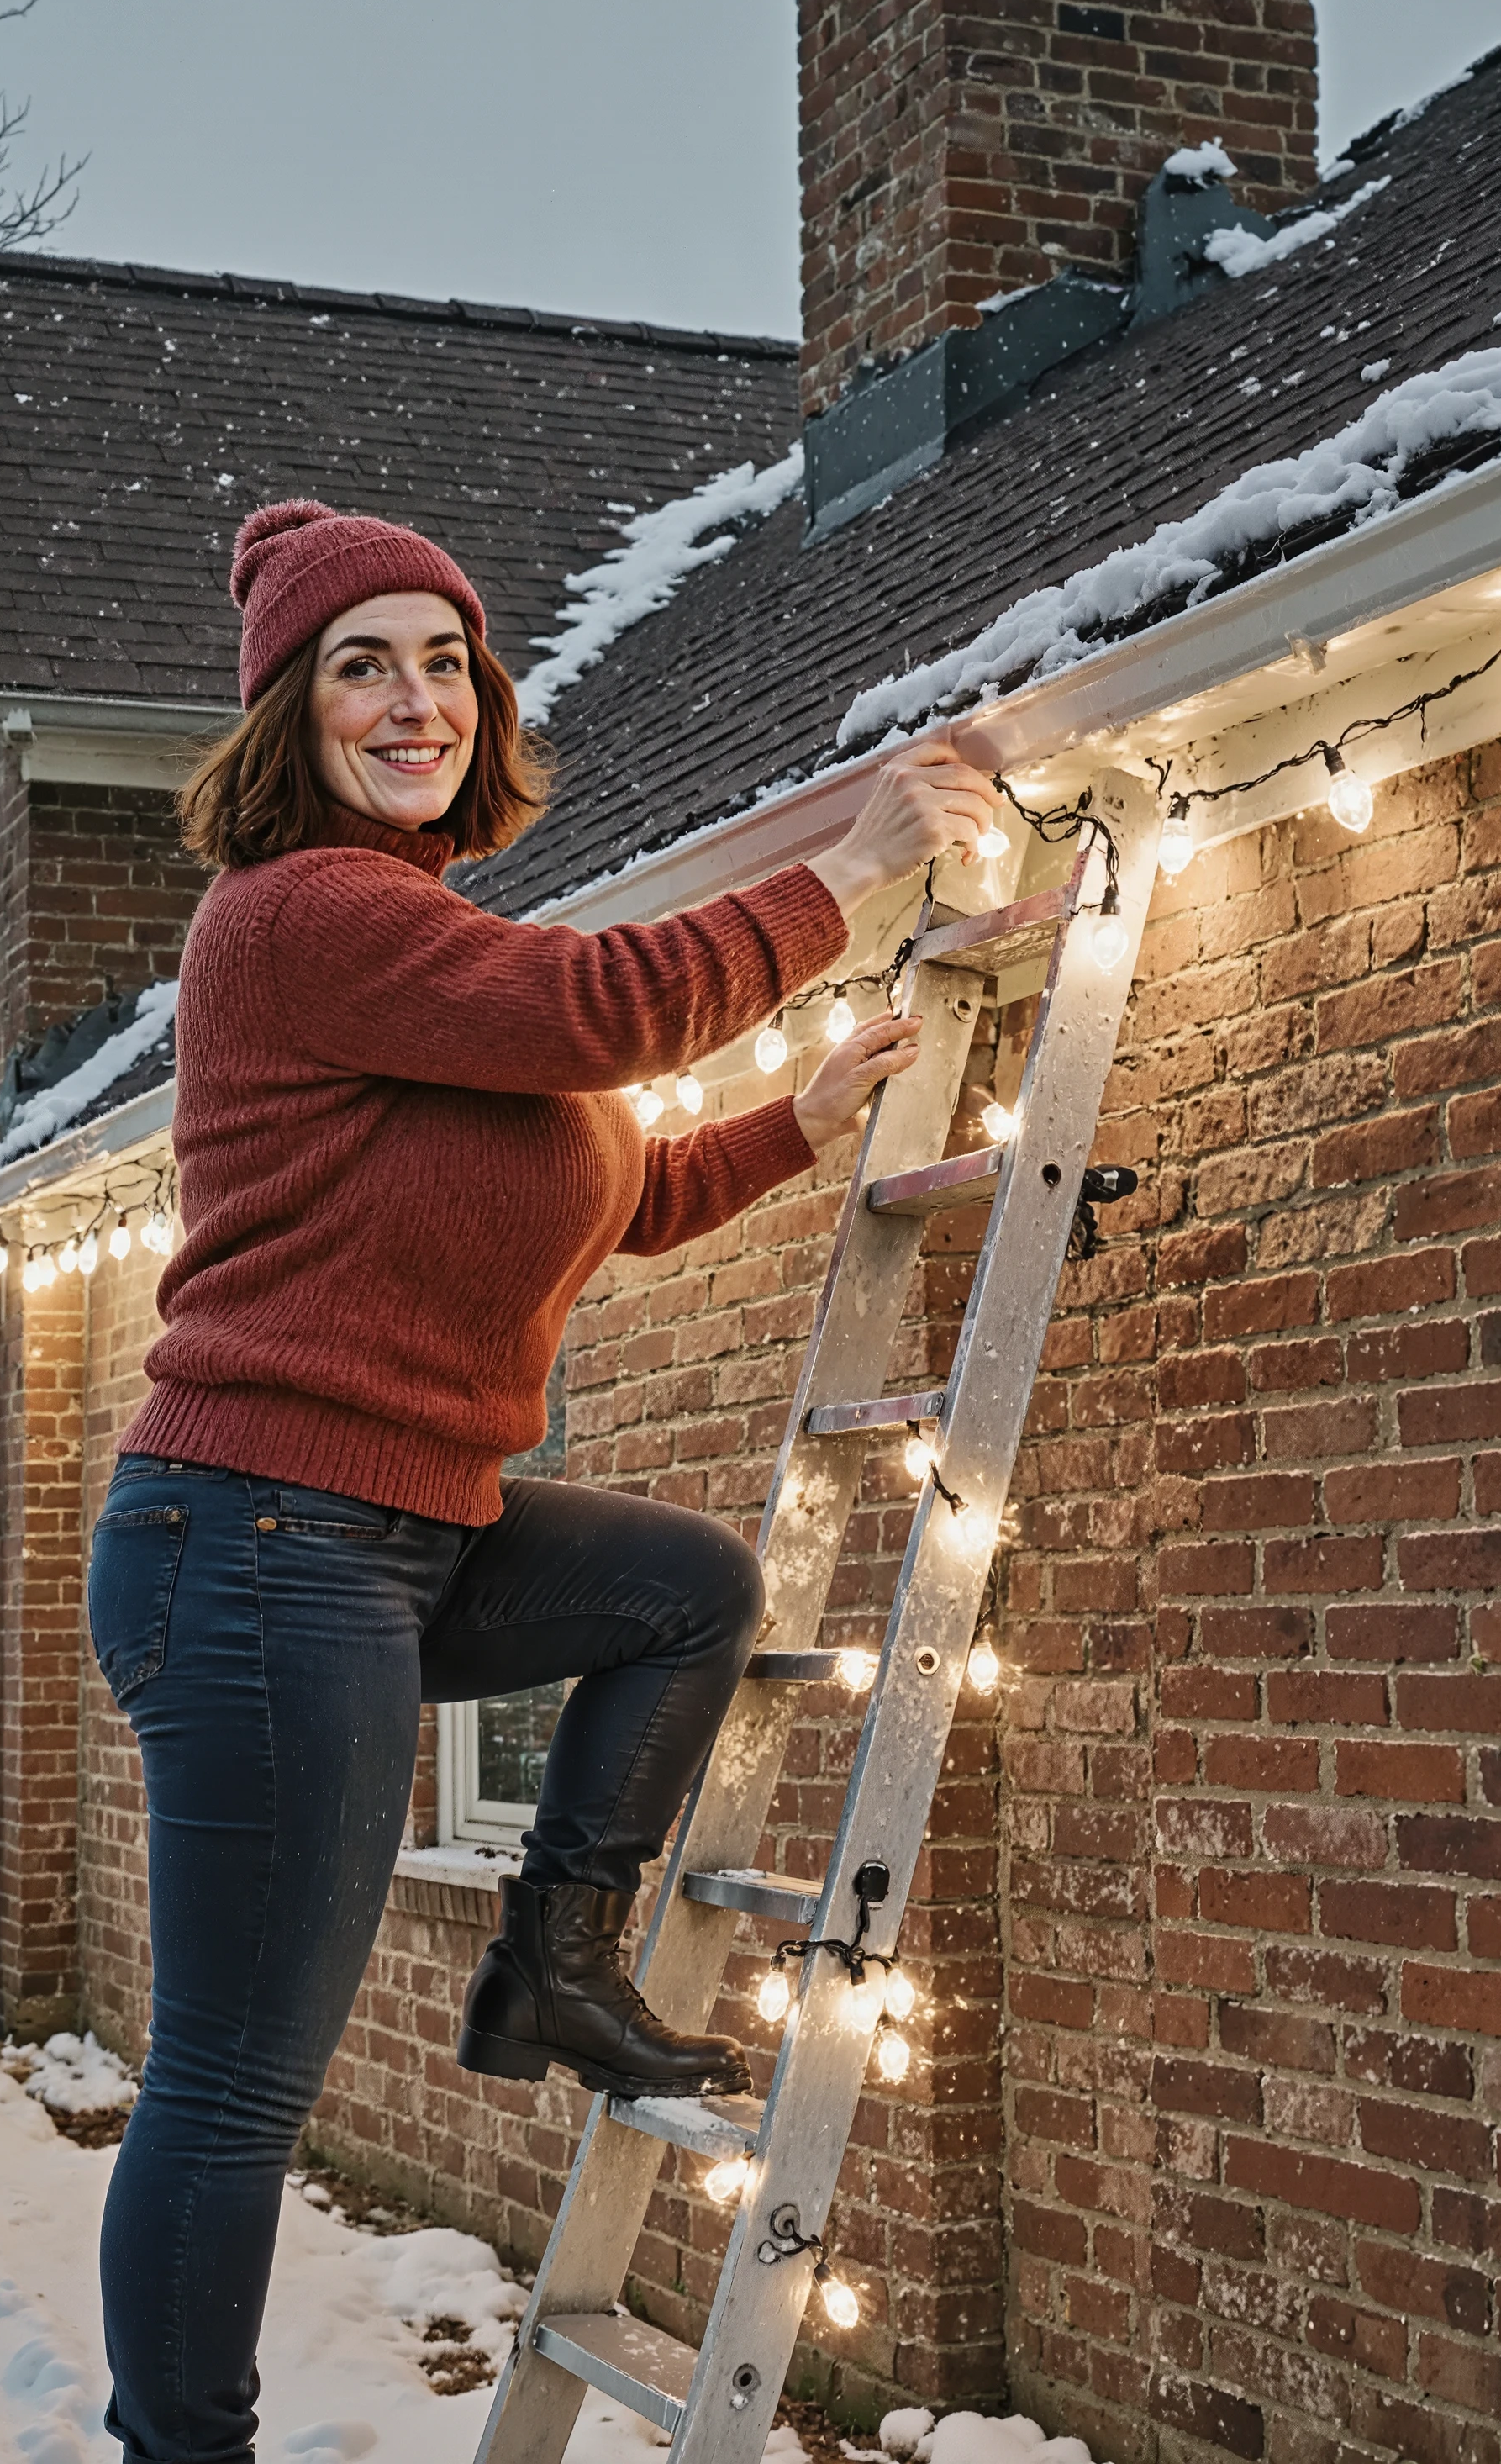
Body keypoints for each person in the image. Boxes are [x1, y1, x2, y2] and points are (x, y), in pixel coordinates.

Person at [88, 499, 998, 2461]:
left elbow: (609, 1188)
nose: (417, 699)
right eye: (363, 664)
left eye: (445, 660)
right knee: (240, 2084)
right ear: (287, 715)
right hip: (250, 1542)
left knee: (685, 1589)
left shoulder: (427, 954)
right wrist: (844, 877)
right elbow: (604, 1015)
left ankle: (552, 1964)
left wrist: (795, 1120)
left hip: (398, 1534)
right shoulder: (300, 919)